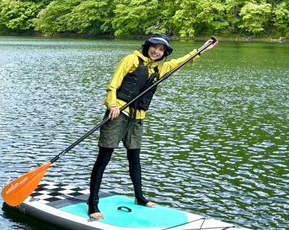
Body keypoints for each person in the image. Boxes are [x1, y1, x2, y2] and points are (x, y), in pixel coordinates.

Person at [87, 34, 217, 220]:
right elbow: (113, 84)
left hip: (138, 118)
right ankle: (92, 203)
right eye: (154, 47)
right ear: (147, 46)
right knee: (104, 159)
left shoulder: (160, 68)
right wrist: (112, 105)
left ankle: (139, 197)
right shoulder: (131, 59)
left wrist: (202, 49)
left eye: (161, 49)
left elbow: (182, 61)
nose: (156, 51)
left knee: (135, 160)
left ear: (164, 53)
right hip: (118, 115)